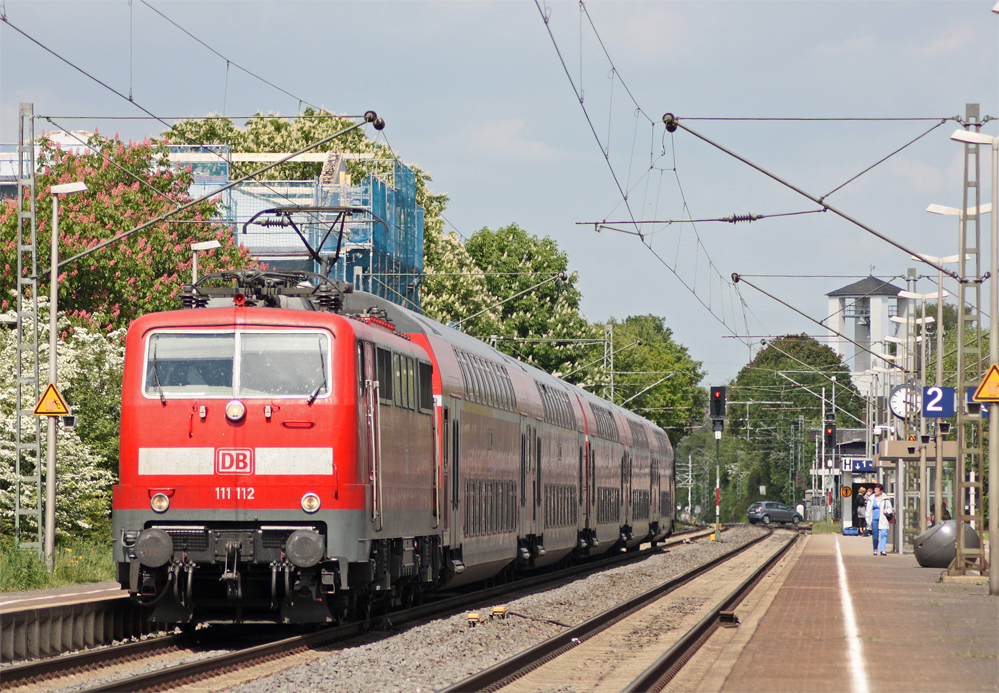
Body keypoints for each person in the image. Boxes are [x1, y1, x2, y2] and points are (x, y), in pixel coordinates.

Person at [864, 483, 894, 555]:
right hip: (874, 519)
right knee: (875, 536)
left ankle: (882, 550)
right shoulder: (871, 498)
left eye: (877, 490)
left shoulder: (885, 498)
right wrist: (868, 520)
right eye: (875, 489)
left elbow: (890, 508)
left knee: (884, 534)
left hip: (883, 518)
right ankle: (875, 549)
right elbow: (868, 510)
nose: (876, 491)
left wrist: (886, 511)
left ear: (881, 491)